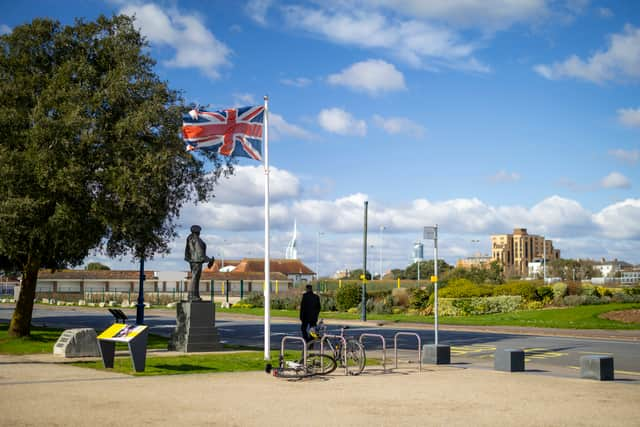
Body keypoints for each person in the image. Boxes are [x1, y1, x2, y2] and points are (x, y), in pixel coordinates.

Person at [184, 225, 214, 301]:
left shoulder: (190, 238)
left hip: (193, 260)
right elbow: (199, 252)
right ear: (198, 232)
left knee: (195, 277)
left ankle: (194, 295)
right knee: (195, 278)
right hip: (197, 261)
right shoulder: (196, 239)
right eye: (199, 231)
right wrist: (209, 259)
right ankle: (192, 296)